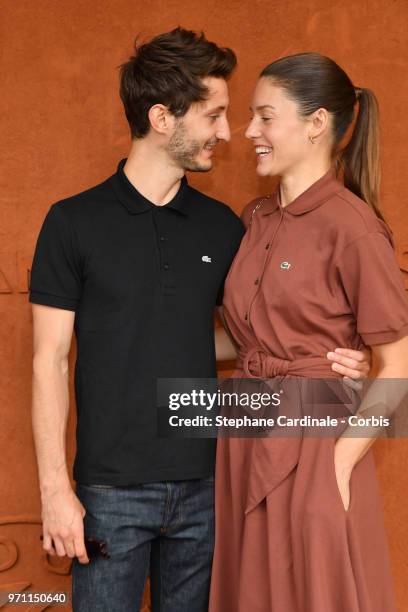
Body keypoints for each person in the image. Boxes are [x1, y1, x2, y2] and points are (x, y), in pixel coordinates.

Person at [29, 30, 369, 612]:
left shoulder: (225, 228)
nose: (228, 132)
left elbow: (251, 336)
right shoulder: (72, 223)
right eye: (214, 115)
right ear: (162, 117)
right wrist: (56, 491)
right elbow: (49, 361)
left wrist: (336, 355)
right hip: (109, 493)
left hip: (211, 486)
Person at [209, 53, 408, 612]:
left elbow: (399, 364)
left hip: (316, 439)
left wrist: (339, 465)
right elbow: (251, 340)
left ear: (316, 123)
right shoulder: (254, 217)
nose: (249, 131)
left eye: (265, 117)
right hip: (244, 427)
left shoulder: (354, 227)